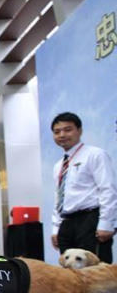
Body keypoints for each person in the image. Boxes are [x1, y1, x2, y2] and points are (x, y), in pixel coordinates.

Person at [51, 112, 117, 264]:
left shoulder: (95, 155)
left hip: (90, 220)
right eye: (57, 131)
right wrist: (56, 229)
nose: (62, 135)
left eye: (67, 130)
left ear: (79, 131)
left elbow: (108, 189)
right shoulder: (58, 165)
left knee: (95, 273)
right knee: (69, 274)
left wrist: (106, 223)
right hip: (67, 222)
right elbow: (59, 197)